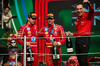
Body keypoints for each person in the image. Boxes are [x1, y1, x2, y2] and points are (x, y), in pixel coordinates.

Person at [66, 0, 94, 66]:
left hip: (84, 39)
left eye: (80, 9)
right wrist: (71, 34)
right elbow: (78, 32)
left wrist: (89, 4)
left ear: (84, 9)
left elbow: (92, 11)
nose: (79, 10)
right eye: (77, 9)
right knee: (79, 60)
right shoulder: (77, 19)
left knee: (83, 60)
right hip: (77, 40)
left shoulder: (87, 16)